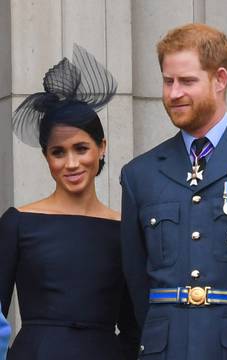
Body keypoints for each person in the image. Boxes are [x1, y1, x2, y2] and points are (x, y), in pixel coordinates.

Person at [120, 23, 227, 359]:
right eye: (168, 81)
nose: (174, 93)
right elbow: (136, 282)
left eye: (187, 81)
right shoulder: (140, 173)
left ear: (220, 79)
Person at [0, 45, 139, 360]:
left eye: (81, 148)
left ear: (101, 147)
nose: (71, 163)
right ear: (46, 156)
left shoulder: (125, 229)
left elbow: (135, 327)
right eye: (58, 152)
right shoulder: (17, 222)